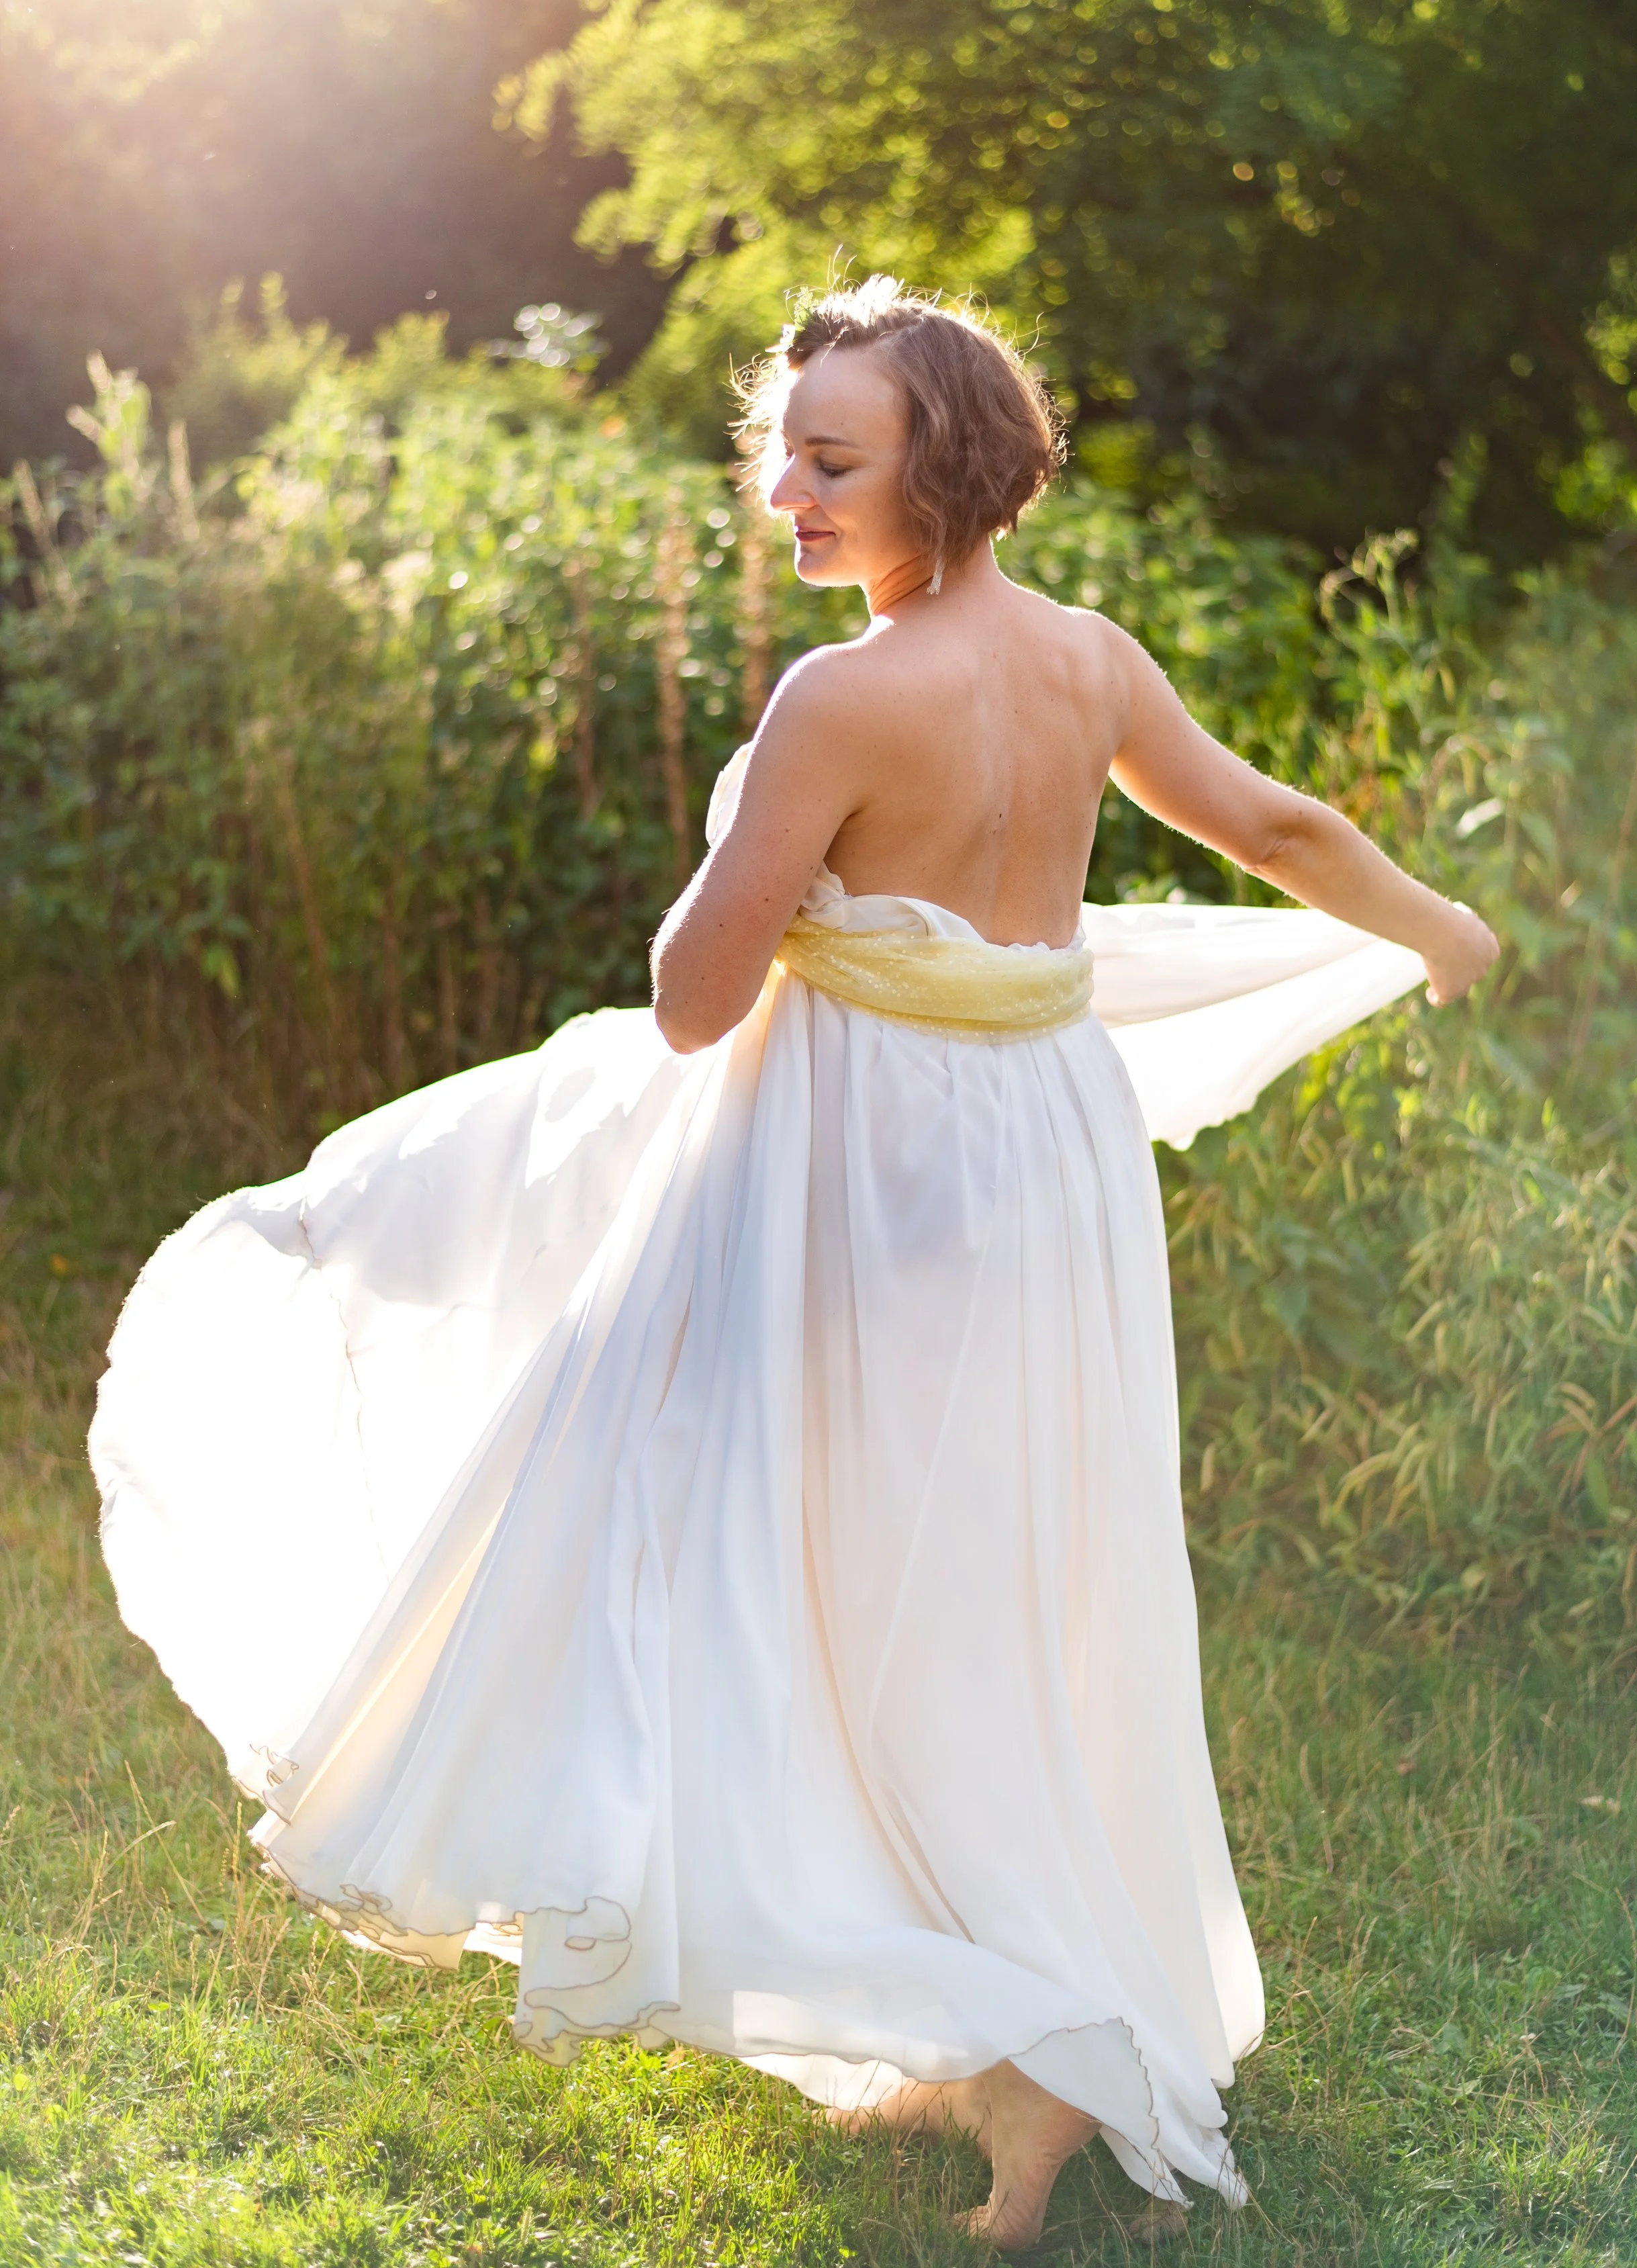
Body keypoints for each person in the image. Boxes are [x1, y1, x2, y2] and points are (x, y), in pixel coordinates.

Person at [91, 277, 1497, 2251]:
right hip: (1040, 1145)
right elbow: (1271, 822)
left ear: (953, 465)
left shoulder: (837, 698)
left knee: (808, 1566)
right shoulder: (1089, 660)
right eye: (781, 451)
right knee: (992, 1574)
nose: (786, 492)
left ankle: (999, 2031)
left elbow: (689, 1000)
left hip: (867, 1155)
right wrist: (1433, 927)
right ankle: (998, 2033)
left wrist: (750, 848)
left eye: (831, 460)